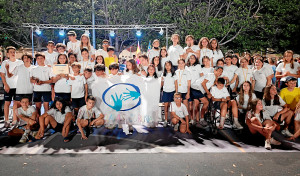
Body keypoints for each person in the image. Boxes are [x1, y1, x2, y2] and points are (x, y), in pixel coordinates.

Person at [0, 46, 23, 127]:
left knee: (16, 103)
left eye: (14, 52)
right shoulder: (5, 63)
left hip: (18, 86)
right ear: (7, 54)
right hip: (8, 86)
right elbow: (2, 75)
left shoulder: (20, 62)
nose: (13, 53)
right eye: (11, 52)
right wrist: (5, 85)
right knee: (7, 103)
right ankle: (6, 120)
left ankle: (14, 120)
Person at [161, 61, 176, 127]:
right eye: (166, 65)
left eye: (169, 65)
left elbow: (176, 83)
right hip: (165, 92)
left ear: (171, 66)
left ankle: (172, 120)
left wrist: (176, 92)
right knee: (166, 107)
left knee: (171, 107)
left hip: (172, 91)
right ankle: (166, 120)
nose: (167, 66)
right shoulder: (163, 74)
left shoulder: (174, 74)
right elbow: (162, 83)